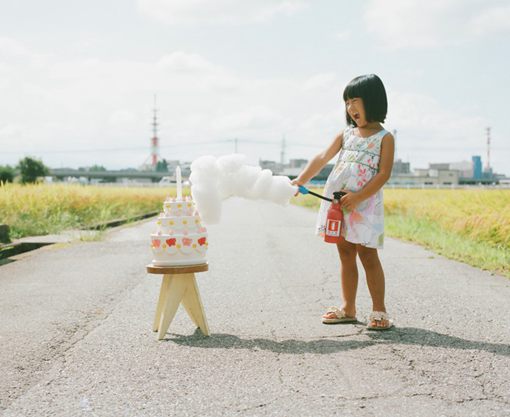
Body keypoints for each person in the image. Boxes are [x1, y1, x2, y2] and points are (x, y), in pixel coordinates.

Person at [292, 74, 395, 330]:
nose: (350, 108)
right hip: (338, 205)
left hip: (364, 206)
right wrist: (300, 179)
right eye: (347, 102)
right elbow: (322, 157)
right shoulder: (346, 134)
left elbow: (384, 174)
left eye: (355, 101)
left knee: (368, 255)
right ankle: (348, 307)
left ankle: (379, 311)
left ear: (372, 101)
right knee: (345, 254)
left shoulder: (384, 137)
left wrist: (359, 197)